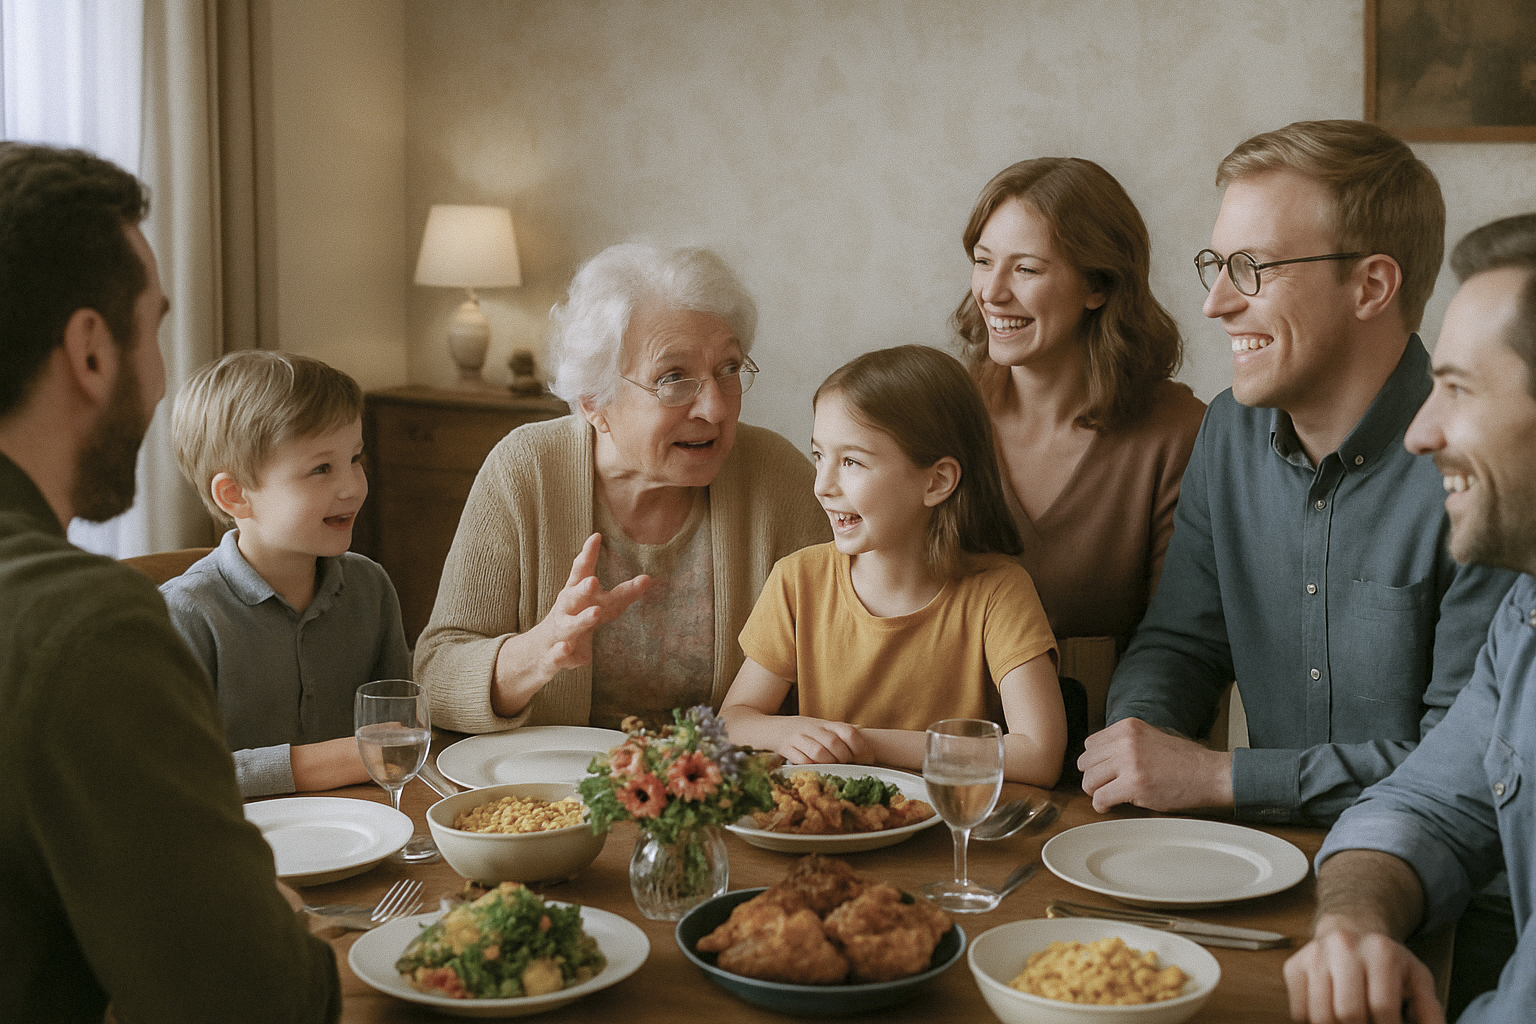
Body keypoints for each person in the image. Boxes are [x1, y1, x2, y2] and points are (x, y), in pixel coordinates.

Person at [1081, 119, 1516, 827]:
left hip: (1451, 894)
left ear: (1371, 286)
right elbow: (1182, 644)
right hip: (1263, 863)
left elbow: (1464, 760)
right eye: (1215, 265)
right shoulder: (1227, 431)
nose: (1216, 302)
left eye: (1252, 267)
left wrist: (1226, 777)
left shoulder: (1481, 467)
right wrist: (1139, 746)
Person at [0, 143, 338, 1021]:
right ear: (91, 351)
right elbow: (256, 1002)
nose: (159, 376)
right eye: (154, 327)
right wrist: (280, 924)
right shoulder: (84, 628)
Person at [1282, 213, 1536, 1024]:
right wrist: (1353, 922)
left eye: (1458, 390)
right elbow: (1422, 806)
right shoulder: (1526, 614)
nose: (1421, 433)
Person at [416, 242, 831, 733]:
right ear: (593, 401)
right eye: (673, 378)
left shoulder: (776, 479)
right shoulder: (526, 469)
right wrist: (541, 650)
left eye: (729, 369)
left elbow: (839, 669)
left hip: (725, 794)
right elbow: (434, 681)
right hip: (554, 795)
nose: (716, 409)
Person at [720, 345, 1066, 785]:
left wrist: (868, 745)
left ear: (937, 481)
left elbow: (1039, 755)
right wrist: (784, 730)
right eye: (819, 456)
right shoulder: (797, 580)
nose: (823, 485)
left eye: (851, 462)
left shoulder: (999, 592)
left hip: (946, 841)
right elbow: (731, 722)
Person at [953, 157, 1206, 650]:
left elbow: (1182, 647)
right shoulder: (944, 412)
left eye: (1025, 268)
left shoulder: (1180, 434)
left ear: (1099, 285)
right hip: (946, 725)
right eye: (983, 261)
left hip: (1108, 723)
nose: (992, 292)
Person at [162, 350, 412, 797]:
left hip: (363, 832)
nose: (352, 486)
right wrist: (327, 761)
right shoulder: (183, 615)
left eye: (355, 458)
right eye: (321, 468)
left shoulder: (370, 588)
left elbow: (400, 730)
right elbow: (170, 771)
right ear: (235, 495)